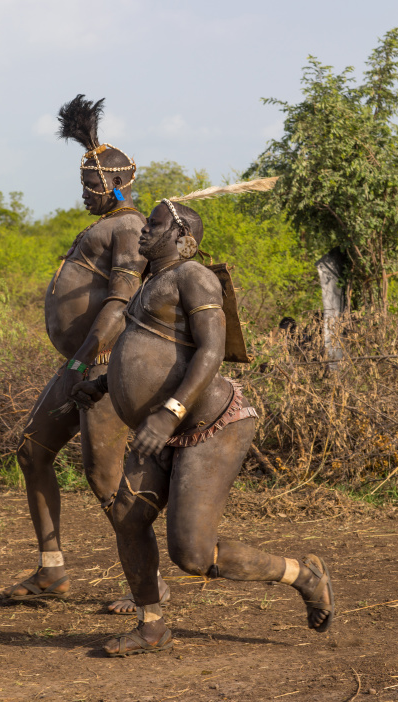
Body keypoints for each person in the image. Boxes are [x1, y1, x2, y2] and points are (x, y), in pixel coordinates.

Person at [72, 199, 335, 657]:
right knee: (127, 518)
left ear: (183, 239)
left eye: (153, 226)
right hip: (163, 428)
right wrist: (102, 384)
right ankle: (151, 626)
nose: (142, 232)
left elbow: (210, 353)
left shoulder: (193, 276)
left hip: (211, 425)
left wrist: (168, 411)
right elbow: (152, 356)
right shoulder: (150, 284)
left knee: (192, 555)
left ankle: (303, 574)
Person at [4, 95, 170, 613]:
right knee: (33, 451)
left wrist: (84, 362)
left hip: (102, 367)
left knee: (104, 477)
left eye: (89, 188)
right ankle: (51, 570)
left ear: (113, 187)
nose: (83, 196)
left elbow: (119, 302)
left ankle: (153, 587)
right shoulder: (110, 224)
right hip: (80, 361)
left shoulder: (126, 227)